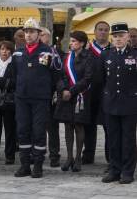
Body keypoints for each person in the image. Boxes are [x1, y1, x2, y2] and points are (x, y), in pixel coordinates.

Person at [13, 18, 62, 178]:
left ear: (39, 34)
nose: (28, 35)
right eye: (26, 32)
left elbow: (57, 74)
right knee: (22, 131)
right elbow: (13, 75)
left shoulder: (48, 51)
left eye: (31, 32)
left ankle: (38, 166)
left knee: (39, 132)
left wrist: (54, 92)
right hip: (22, 98)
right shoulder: (18, 52)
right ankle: (25, 165)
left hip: (40, 99)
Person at [101, 23, 137, 184]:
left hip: (130, 103)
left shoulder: (135, 55)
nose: (118, 39)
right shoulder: (106, 55)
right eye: (115, 36)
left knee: (128, 140)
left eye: (121, 36)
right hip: (111, 103)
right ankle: (114, 170)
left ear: (128, 37)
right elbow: (100, 79)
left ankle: (128, 172)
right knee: (113, 139)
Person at [54, 31, 92, 172]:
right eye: (71, 41)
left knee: (78, 126)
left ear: (82, 43)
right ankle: (69, 157)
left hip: (80, 95)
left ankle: (78, 158)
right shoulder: (66, 56)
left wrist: (72, 91)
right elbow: (60, 76)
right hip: (66, 96)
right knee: (68, 126)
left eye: (74, 41)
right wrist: (63, 89)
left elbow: (88, 78)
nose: (71, 43)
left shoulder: (88, 57)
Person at [82, 21, 111, 165]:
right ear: (94, 31)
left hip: (108, 94)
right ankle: (88, 155)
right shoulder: (86, 50)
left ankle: (110, 157)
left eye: (106, 30)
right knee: (89, 125)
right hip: (90, 92)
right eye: (100, 29)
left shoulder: (113, 49)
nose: (103, 32)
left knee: (109, 126)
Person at [40, 27, 62, 167]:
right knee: (38, 126)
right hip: (37, 94)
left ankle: (54, 155)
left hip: (50, 94)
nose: (41, 37)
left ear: (49, 37)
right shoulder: (35, 51)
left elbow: (57, 72)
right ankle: (38, 153)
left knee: (52, 127)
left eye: (43, 34)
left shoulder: (54, 52)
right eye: (39, 34)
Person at [0, 40, 16, 164]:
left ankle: (10, 155)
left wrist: (2, 82)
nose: (4, 52)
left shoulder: (14, 64)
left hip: (9, 101)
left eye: (7, 49)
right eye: (2, 49)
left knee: (10, 130)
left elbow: (15, 81)